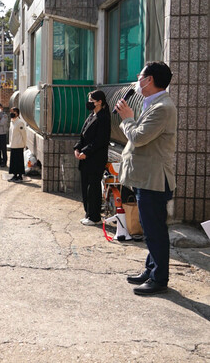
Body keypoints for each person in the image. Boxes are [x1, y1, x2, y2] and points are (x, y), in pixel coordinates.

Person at [115, 61, 177, 296]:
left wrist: (127, 118)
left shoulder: (163, 108)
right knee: (150, 228)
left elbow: (139, 137)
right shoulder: (152, 103)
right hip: (146, 178)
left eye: (140, 76)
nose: (137, 80)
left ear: (149, 79)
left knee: (155, 230)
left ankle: (159, 279)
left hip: (155, 179)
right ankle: (151, 270)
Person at [73, 90, 111, 226]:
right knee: (85, 186)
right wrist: (77, 148)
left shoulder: (103, 117)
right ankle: (88, 214)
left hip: (95, 159)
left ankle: (95, 217)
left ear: (99, 102)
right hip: (86, 158)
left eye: (91, 100)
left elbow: (100, 140)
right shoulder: (91, 116)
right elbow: (83, 136)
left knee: (93, 187)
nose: (89, 103)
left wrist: (86, 152)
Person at [8, 107, 27, 182]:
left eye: (13, 112)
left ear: (17, 113)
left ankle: (20, 176)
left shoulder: (20, 122)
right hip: (13, 145)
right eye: (11, 112)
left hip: (19, 145)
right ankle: (14, 175)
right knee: (13, 161)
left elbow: (24, 134)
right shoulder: (12, 122)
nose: (11, 113)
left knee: (19, 161)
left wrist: (24, 144)